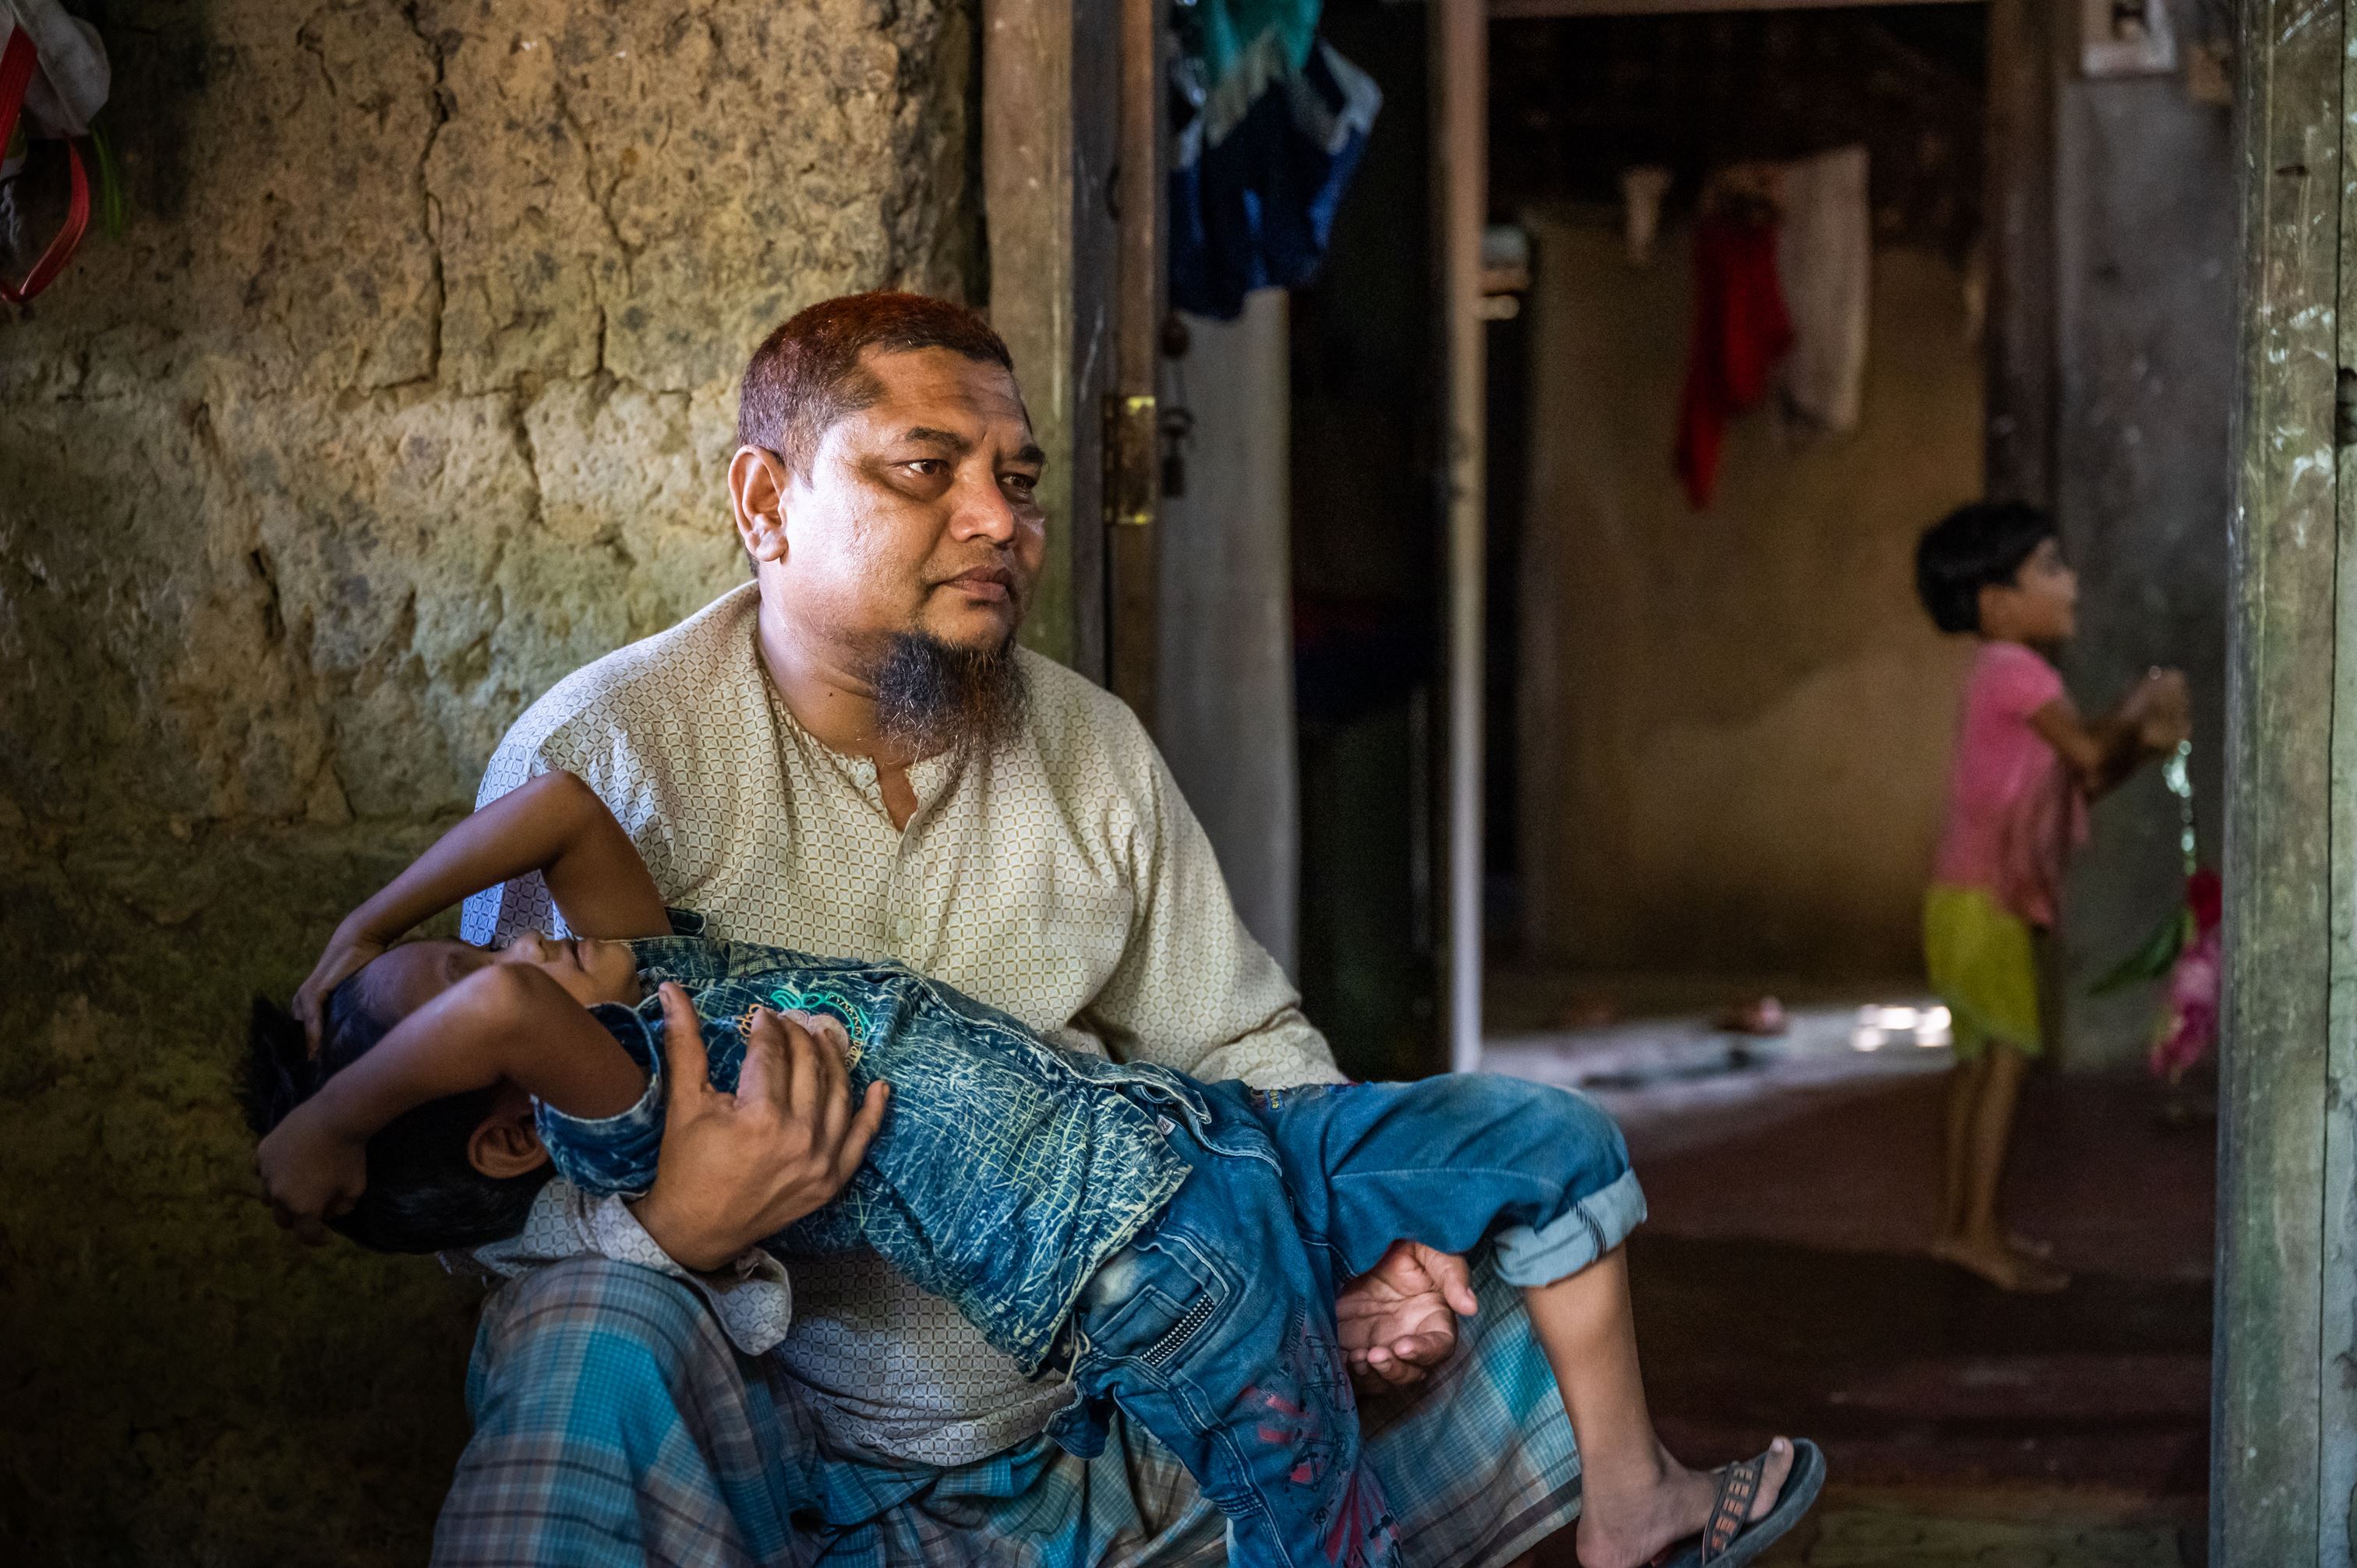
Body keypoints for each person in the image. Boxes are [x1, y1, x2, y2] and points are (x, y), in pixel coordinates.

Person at [295, 288, 1768, 1568]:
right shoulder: (613, 753)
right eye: (926, 470)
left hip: (1113, 1434)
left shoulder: (1091, 747)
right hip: (774, 1470)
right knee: (583, 1351)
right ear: (763, 503)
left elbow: (1239, 1038)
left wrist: (1366, 1261)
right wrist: (680, 1225)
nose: (998, 520)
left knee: (1507, 1253)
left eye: (1017, 477)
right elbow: (483, 1189)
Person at [246, 768, 1825, 1568]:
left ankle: (1632, 1506)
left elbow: (558, 811)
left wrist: (371, 928)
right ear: (513, 1109)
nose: (501, 940)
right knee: (1321, 1530)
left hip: (1223, 1143)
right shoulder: (625, 1097)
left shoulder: (646, 961)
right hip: (1146, 1267)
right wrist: (318, 1130)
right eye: (451, 990)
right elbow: (518, 1006)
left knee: (1549, 1144)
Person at [1914, 501, 2192, 1293]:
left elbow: (2088, 777)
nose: (2069, 584)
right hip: (1985, 905)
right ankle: (1975, 1232)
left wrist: (2140, 743)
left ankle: (1960, 1227)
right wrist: (2141, 704)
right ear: (1999, 601)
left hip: (1961, 901)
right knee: (2005, 1059)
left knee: (1977, 1063)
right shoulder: (2020, 672)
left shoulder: (2003, 676)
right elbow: (2090, 746)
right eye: (2051, 568)